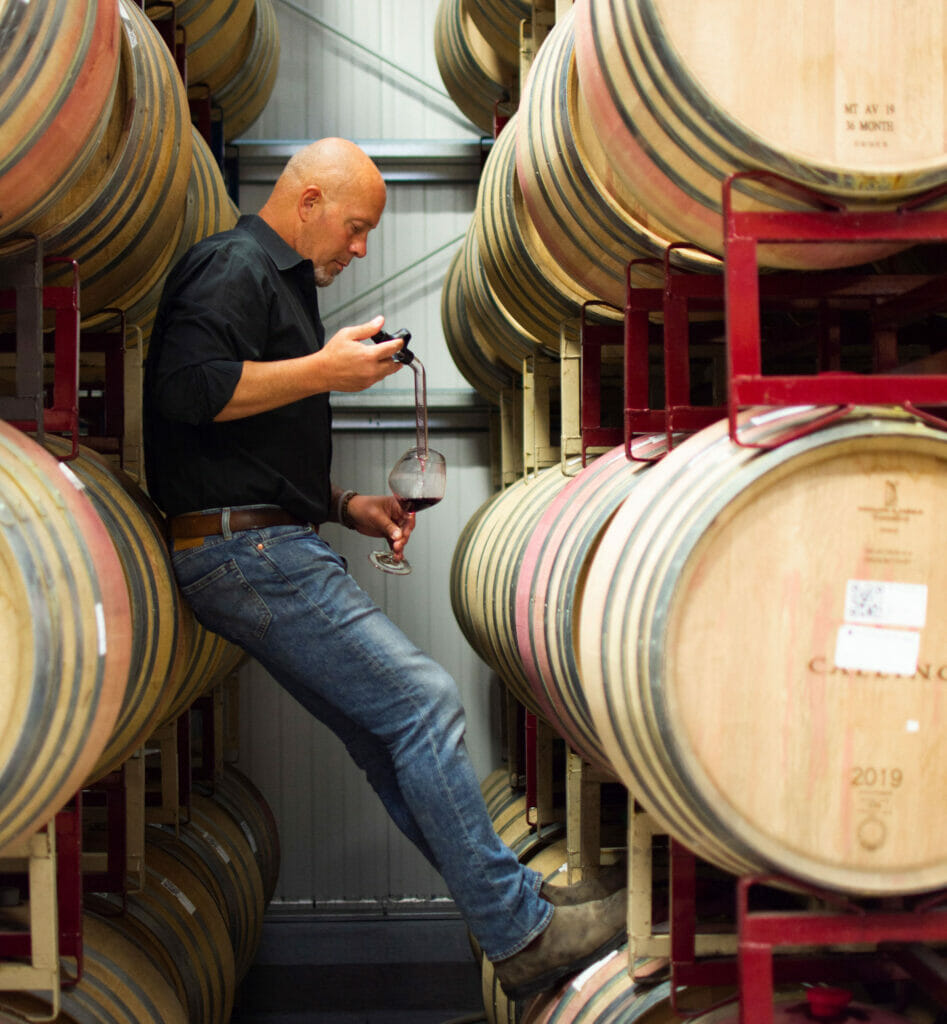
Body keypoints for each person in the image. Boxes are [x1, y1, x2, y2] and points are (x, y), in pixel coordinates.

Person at [143, 137, 626, 1001]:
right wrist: (324, 368)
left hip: (263, 537)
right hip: (244, 551)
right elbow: (187, 391)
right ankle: (521, 930)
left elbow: (249, 443)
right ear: (308, 201)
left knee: (386, 736)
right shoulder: (232, 264)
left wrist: (346, 505)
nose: (360, 247)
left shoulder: (275, 283)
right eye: (356, 227)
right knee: (424, 702)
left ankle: (511, 911)